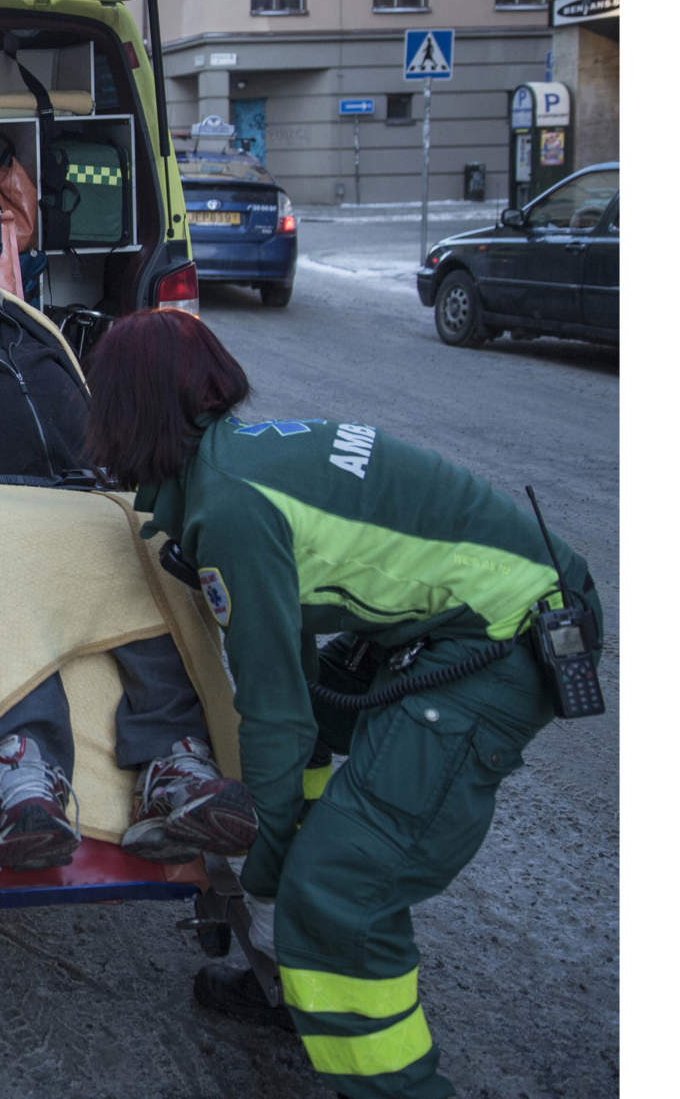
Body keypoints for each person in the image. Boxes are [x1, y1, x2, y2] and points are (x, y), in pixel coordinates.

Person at [84, 308, 604, 1099]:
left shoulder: (230, 509)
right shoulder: (237, 462)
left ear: (129, 411)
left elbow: (274, 712)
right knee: (322, 745)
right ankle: (299, 992)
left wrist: (262, 876)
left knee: (341, 889)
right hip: (470, 615)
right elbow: (293, 681)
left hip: (508, 636)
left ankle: (389, 1069)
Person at [0, 194, 255, 871]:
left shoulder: (30, 328)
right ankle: (21, 770)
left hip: (82, 493)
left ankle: (176, 761)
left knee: (148, 547)